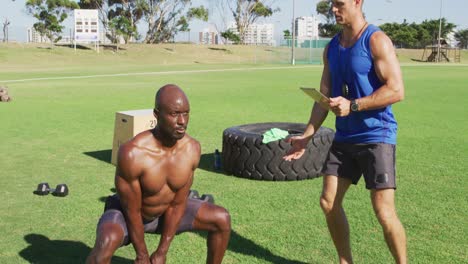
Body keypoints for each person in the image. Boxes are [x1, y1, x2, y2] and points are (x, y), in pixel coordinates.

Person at [284, 0, 406, 263]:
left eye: (339, 4)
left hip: (377, 135)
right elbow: (324, 97)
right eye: (332, 5)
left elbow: (396, 90)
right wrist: (306, 137)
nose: (334, 10)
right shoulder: (331, 49)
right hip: (344, 138)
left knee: (384, 212)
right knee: (328, 202)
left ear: (357, 2)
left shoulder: (376, 40)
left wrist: (353, 105)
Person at [87, 84, 231, 264]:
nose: (182, 121)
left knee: (221, 218)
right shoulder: (133, 153)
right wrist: (142, 254)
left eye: (186, 113)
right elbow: (132, 210)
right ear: (156, 114)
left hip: (165, 214)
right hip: (127, 215)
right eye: (174, 114)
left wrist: (162, 251)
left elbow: (178, 204)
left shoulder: (191, 149)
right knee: (105, 242)